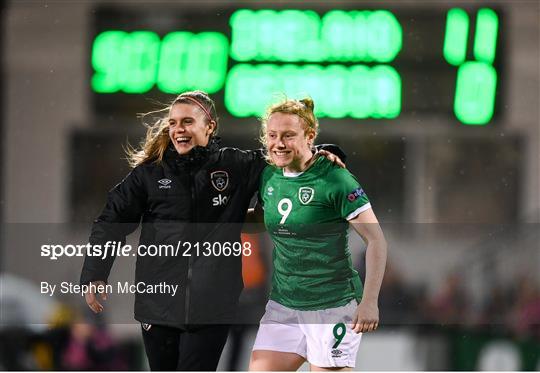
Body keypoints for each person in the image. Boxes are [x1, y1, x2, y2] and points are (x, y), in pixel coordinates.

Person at [79, 91, 344, 371]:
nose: (178, 129)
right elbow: (110, 223)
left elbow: (283, 156)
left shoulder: (235, 166)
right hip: (157, 306)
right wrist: (96, 273)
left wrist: (325, 153)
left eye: (187, 121)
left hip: (212, 306)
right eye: (173, 123)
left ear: (210, 126)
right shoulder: (150, 175)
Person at [248, 98, 388, 371]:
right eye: (272, 135)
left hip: (332, 306)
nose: (278, 143)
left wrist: (370, 302)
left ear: (310, 136)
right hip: (284, 305)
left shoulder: (336, 179)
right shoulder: (269, 176)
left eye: (289, 135)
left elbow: (376, 240)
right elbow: (262, 219)